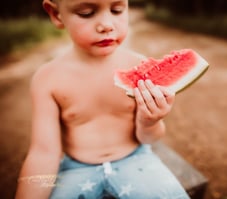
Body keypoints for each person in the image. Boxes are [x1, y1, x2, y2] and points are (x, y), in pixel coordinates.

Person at [15, 0, 190, 198]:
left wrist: (150, 121)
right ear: (56, 15)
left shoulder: (138, 65)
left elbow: (149, 138)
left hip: (136, 159)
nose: (107, 25)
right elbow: (43, 153)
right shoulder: (47, 79)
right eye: (87, 13)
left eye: (117, 10)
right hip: (75, 170)